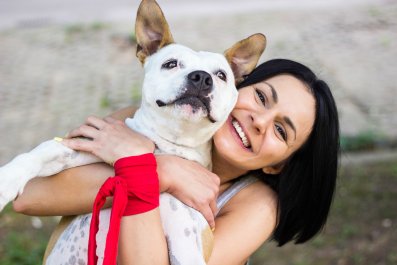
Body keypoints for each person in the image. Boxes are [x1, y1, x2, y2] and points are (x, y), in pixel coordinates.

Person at [13, 59, 340, 265]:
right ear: (235, 85)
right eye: (261, 97)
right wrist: (163, 171)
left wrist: (140, 170)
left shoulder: (257, 205)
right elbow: (29, 195)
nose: (259, 120)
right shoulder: (151, 120)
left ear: (278, 165)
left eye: (281, 131)